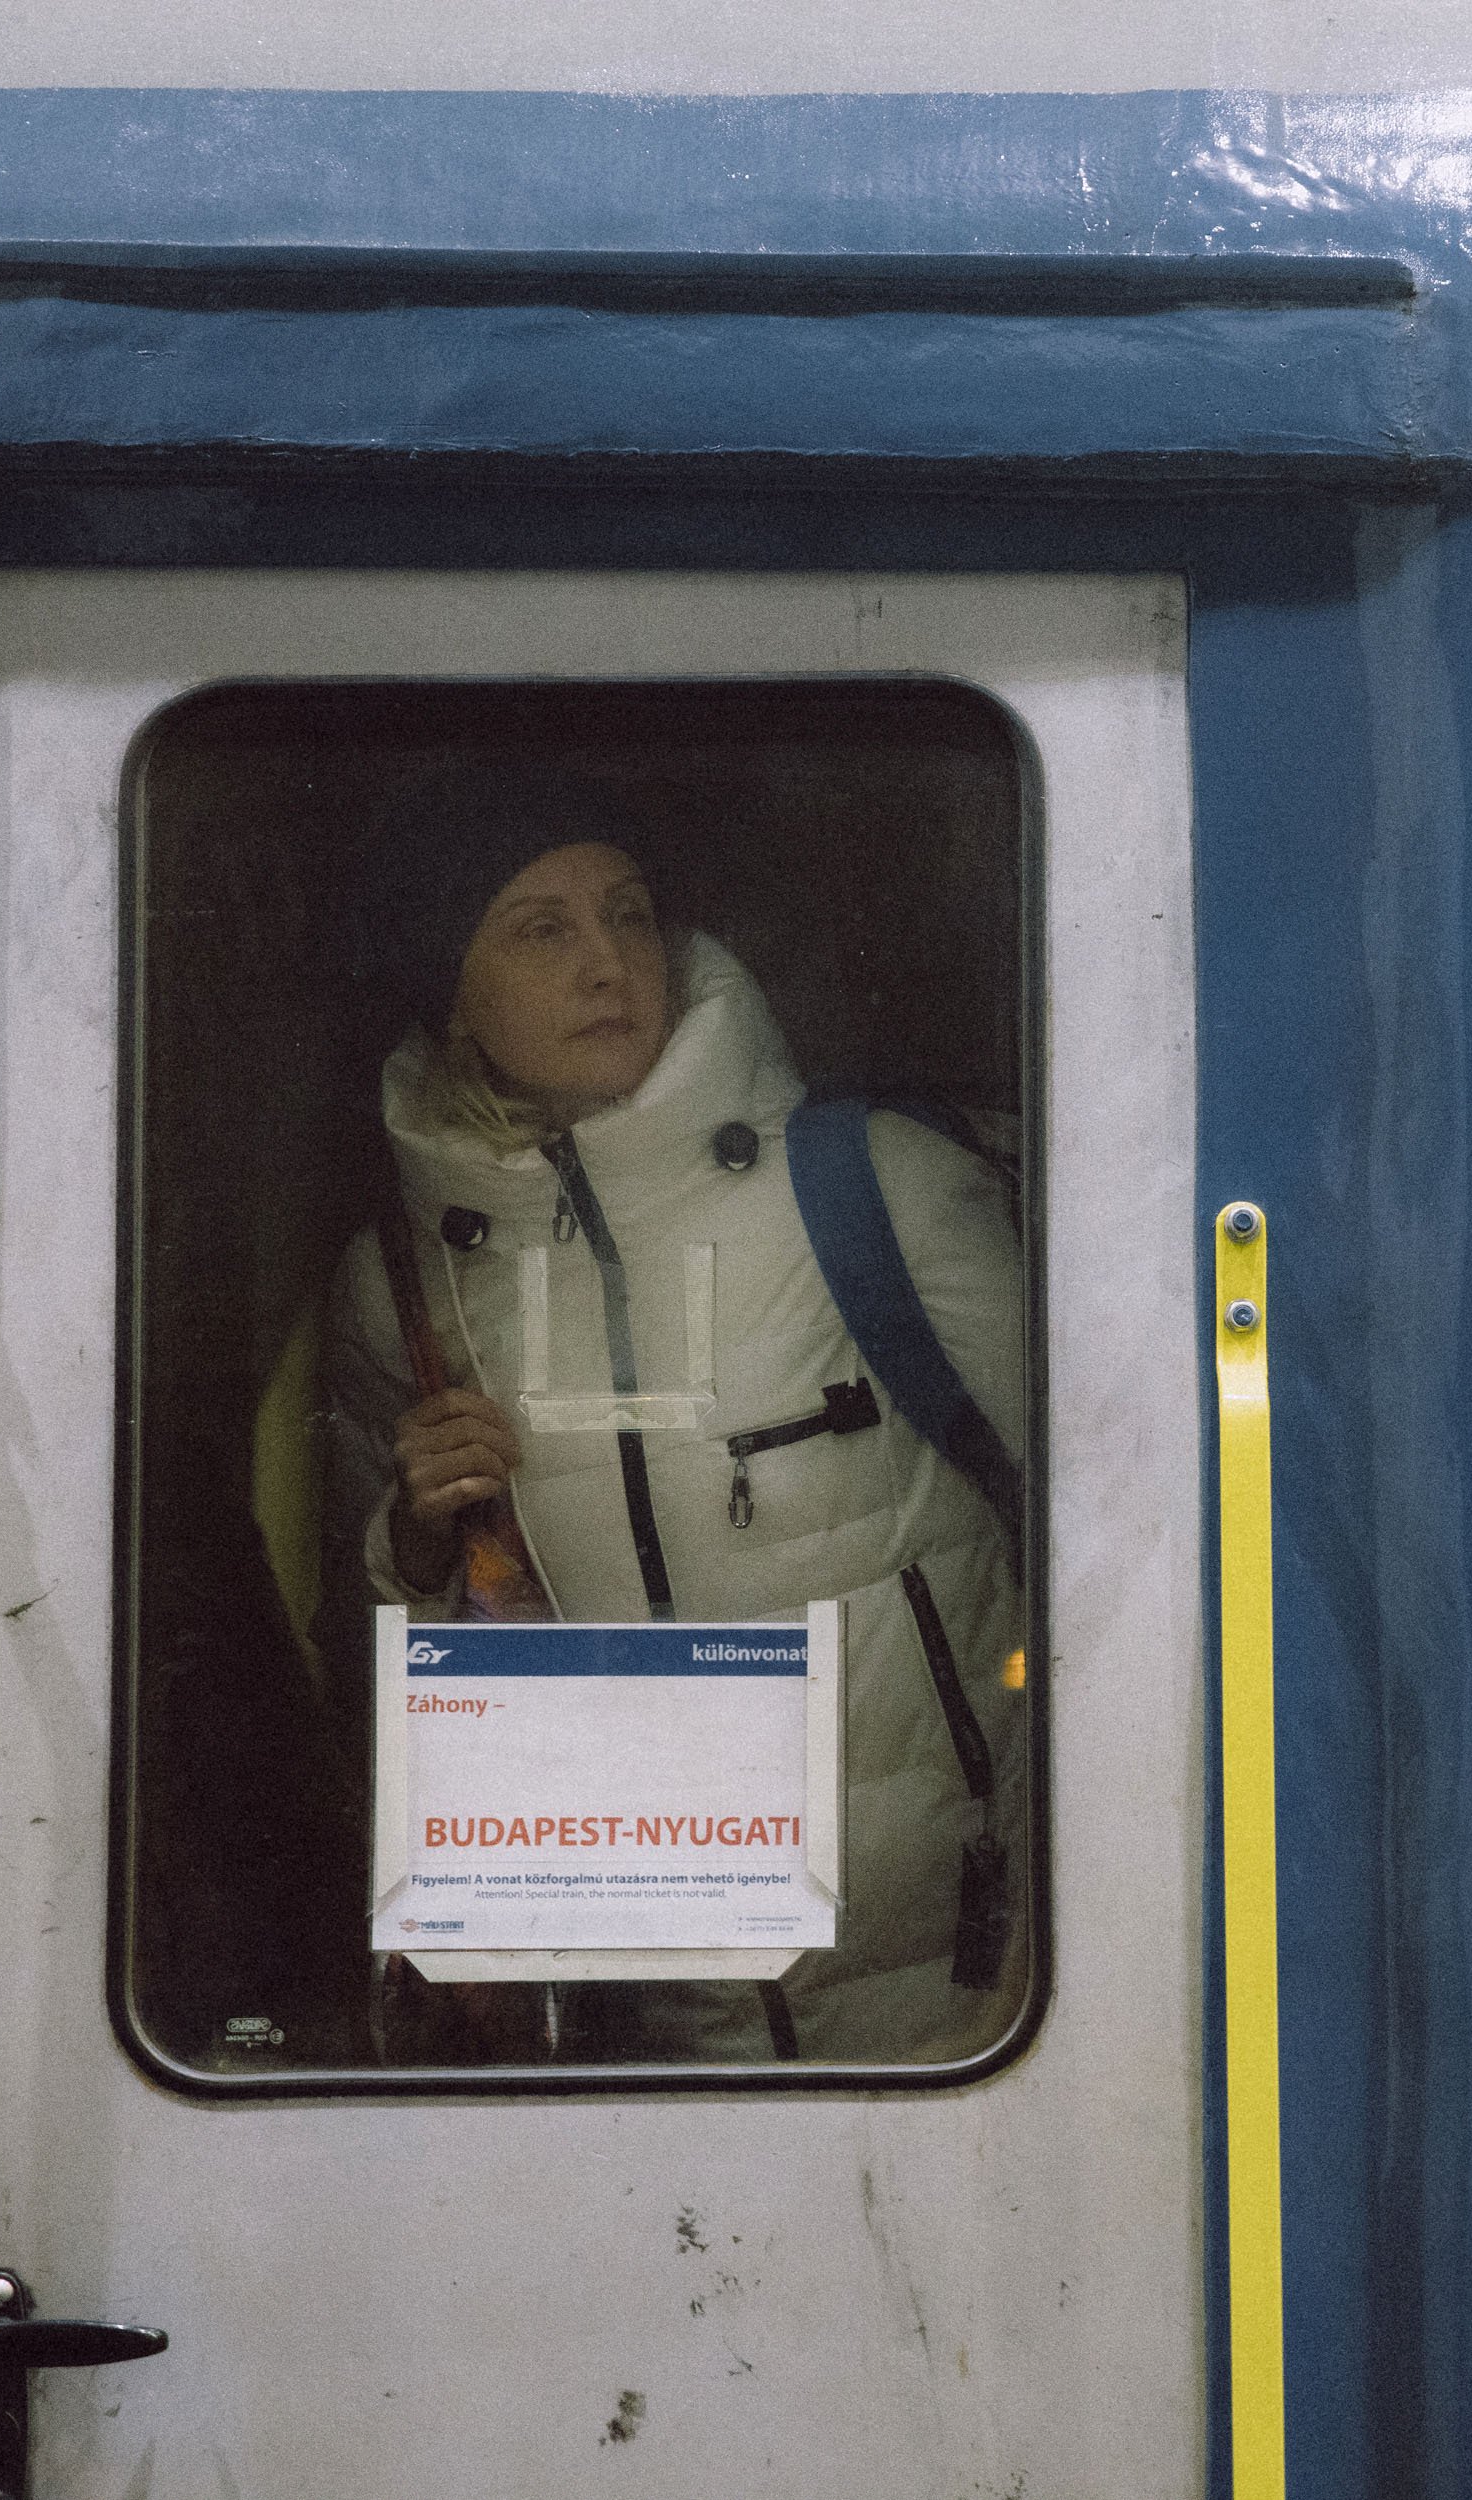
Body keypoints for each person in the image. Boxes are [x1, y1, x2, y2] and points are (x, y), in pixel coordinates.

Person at [323, 762, 1026, 2062]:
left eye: (629, 913)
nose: (606, 962)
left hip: (975, 2000)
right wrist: (413, 1548)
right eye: (541, 929)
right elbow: (382, 1694)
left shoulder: (871, 1190)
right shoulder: (402, 1285)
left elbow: (1122, 1536)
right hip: (651, 2023)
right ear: (454, 1001)